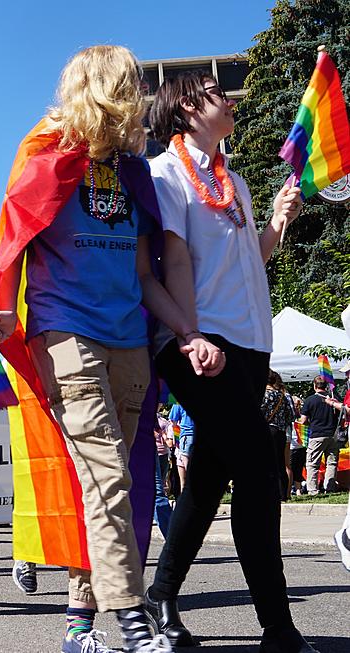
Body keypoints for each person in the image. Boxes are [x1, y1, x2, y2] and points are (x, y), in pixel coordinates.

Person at [0, 45, 211, 653]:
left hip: (128, 342)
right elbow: (12, 238)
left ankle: (79, 625)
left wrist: (188, 334)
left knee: (114, 484)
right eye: (128, 85)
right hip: (66, 335)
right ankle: (134, 623)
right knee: (106, 474)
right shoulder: (49, 162)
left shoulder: (135, 173)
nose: (136, 96)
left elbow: (144, 275)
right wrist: (4, 304)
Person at [145, 70, 310, 652]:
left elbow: (248, 263)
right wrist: (190, 336)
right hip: (197, 343)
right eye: (216, 92)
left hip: (246, 343)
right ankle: (277, 626)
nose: (229, 99)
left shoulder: (232, 181)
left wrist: (276, 220)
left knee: (210, 480)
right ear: (188, 109)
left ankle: (161, 595)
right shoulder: (165, 175)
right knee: (261, 472)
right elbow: (175, 263)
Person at [300, 376, 342, 496]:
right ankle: (330, 487)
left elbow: (303, 421)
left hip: (317, 435)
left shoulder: (309, 400)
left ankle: (313, 490)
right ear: (326, 386)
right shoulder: (334, 399)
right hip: (333, 435)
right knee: (332, 463)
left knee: (312, 463)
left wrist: (312, 423)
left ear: (314, 386)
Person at [263, 371, 296, 501]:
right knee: (281, 463)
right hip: (281, 432)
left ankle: (269, 493)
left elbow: (260, 412)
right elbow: (291, 416)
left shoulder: (265, 395)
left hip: (268, 430)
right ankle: (283, 494)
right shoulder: (283, 396)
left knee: (267, 463)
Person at [167, 402, 195, 493]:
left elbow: (173, 421)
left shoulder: (177, 401)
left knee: (188, 478)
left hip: (187, 436)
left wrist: (176, 438)